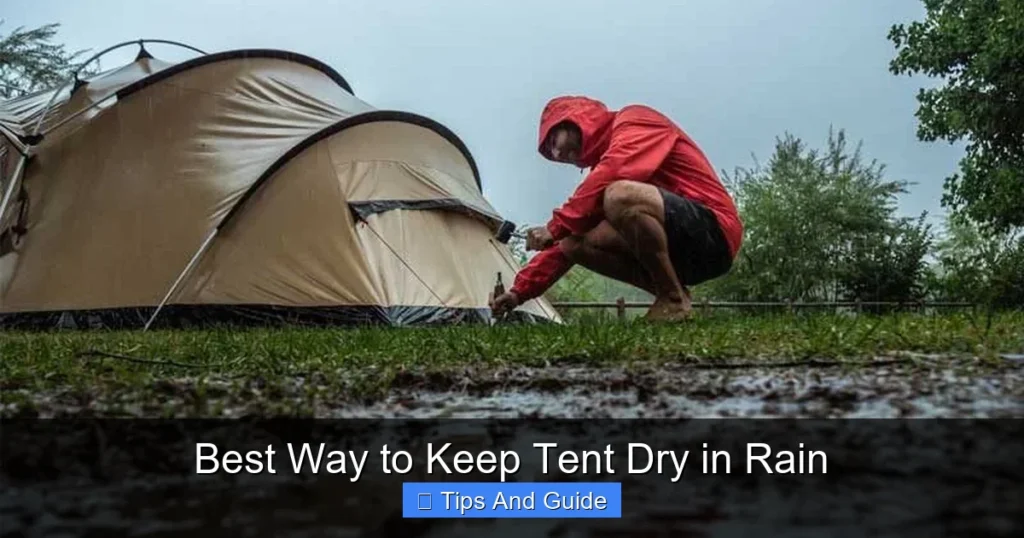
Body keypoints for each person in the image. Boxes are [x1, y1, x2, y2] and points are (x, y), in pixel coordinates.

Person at [489, 95, 743, 321]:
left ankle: (672, 298)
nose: (557, 153)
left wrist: (554, 226)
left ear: (574, 120)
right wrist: (517, 293)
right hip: (681, 256)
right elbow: (564, 239)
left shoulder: (635, 120)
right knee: (572, 242)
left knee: (619, 195)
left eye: (554, 140)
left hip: (714, 234)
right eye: (551, 153)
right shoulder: (598, 179)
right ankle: (672, 294)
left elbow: (616, 169)